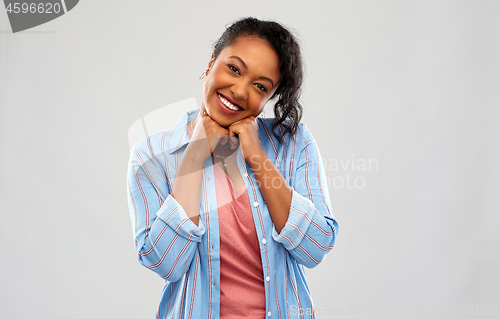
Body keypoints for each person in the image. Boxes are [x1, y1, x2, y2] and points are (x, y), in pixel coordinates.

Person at [127, 17, 339, 319]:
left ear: (270, 97)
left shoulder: (293, 143)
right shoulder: (151, 156)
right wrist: (195, 154)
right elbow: (166, 264)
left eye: (259, 86)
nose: (240, 90)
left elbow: (315, 248)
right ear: (211, 61)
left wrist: (256, 157)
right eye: (234, 69)